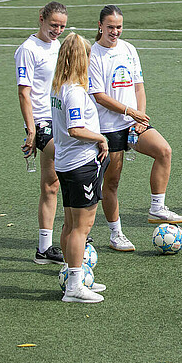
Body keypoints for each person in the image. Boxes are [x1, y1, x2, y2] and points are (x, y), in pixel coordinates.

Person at [88, 6, 182, 253]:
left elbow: (139, 86)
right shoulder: (92, 55)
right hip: (107, 127)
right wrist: (130, 112)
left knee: (163, 150)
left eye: (118, 27)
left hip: (132, 123)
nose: (115, 32)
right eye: (110, 27)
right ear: (100, 26)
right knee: (112, 182)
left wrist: (139, 117)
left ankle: (157, 206)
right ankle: (115, 233)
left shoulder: (129, 49)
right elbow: (98, 96)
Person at [51, 33, 109, 303]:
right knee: (81, 228)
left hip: (66, 163)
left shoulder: (60, 88)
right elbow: (75, 129)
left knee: (71, 223)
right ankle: (74, 285)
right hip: (79, 165)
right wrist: (100, 138)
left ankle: (73, 274)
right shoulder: (74, 92)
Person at [16, 1, 68, 265]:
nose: (57, 30)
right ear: (41, 19)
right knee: (69, 164)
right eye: (53, 25)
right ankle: (72, 231)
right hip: (41, 122)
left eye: (61, 26)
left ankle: (44, 249)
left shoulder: (57, 45)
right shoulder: (27, 50)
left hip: (59, 117)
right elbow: (24, 92)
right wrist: (31, 130)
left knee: (51, 185)